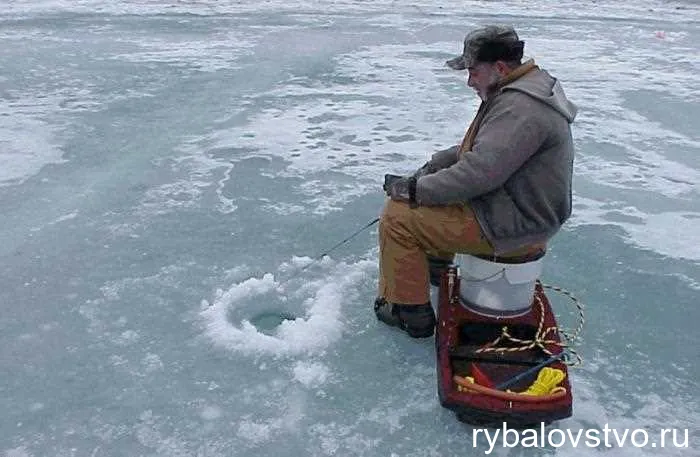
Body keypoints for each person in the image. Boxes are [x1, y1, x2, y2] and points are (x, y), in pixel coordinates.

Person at [374, 25, 577, 338]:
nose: (469, 81)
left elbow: (478, 174)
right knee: (436, 197)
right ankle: (434, 271)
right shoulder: (524, 88)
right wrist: (440, 162)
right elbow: (493, 154)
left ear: (498, 67)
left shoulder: (520, 107)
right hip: (517, 211)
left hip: (517, 225)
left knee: (398, 216)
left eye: (473, 72)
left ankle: (407, 311)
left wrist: (412, 189)